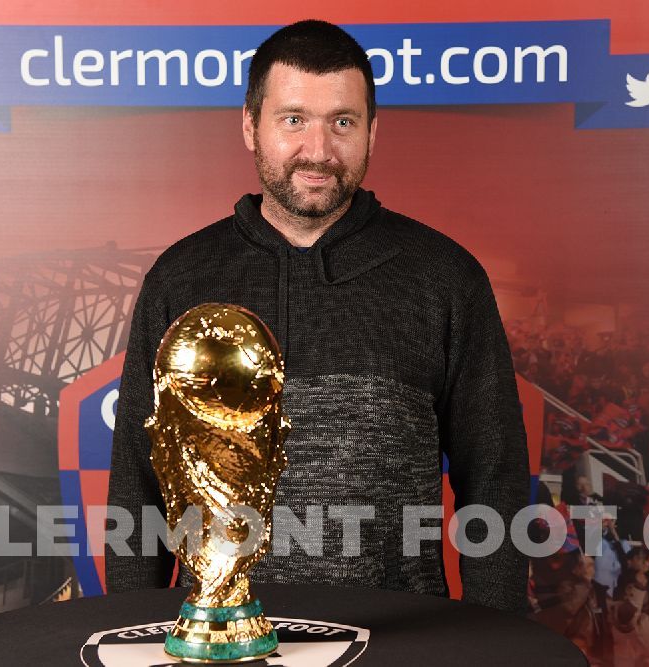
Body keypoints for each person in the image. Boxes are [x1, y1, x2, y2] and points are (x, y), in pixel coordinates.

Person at [104, 19, 530, 612]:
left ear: (372, 133)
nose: (319, 151)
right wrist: (132, 627)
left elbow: (496, 480)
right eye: (294, 119)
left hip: (400, 643)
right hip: (218, 642)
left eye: (343, 123)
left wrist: (498, 641)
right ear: (250, 126)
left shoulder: (445, 277)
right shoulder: (180, 278)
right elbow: (137, 484)